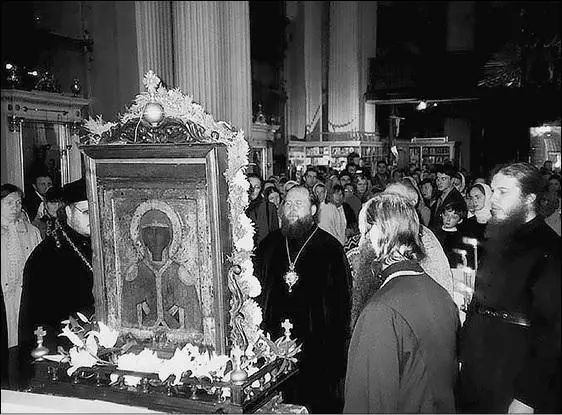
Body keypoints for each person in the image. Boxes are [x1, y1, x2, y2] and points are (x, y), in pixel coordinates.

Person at [459, 162, 561, 414]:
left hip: (514, 371)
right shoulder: (498, 238)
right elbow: (479, 301)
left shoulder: (550, 248)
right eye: (493, 191)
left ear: (529, 198)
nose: (493, 199)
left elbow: (552, 330)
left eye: (503, 192)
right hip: (480, 365)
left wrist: (527, 397)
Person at [344, 193, 459, 413]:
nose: (360, 243)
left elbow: (367, 402)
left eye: (365, 233)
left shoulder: (380, 311)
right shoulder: (439, 293)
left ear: (379, 234)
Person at [255, 185, 352, 413]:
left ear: (313, 209)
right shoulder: (270, 245)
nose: (291, 209)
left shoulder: (330, 249)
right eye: (287, 203)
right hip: (273, 350)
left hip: (318, 353)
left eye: (298, 204)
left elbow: (342, 307)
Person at [18, 178, 95, 388]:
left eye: (97, 211)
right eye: (86, 212)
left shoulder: (102, 245)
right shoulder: (45, 257)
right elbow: (38, 318)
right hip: (63, 354)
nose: (94, 219)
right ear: (68, 212)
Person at [1, 184, 42, 389]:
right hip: (4, 295)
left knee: (21, 341)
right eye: (9, 203)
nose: (15, 207)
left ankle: (21, 384)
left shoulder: (31, 231)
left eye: (18, 202)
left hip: (23, 295)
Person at [245, 173, 279, 247]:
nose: (253, 190)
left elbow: (275, 235)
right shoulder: (237, 206)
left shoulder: (269, 208)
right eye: (250, 186)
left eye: (257, 187)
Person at [429, 165, 467, 231]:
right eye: (437, 179)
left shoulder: (456, 199)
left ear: (452, 180)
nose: (439, 182)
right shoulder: (439, 194)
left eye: (443, 179)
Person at [434, 200, 468, 267]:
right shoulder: (434, 232)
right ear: (442, 215)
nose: (448, 219)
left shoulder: (460, 238)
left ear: (460, 220)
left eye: (454, 217)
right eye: (446, 215)